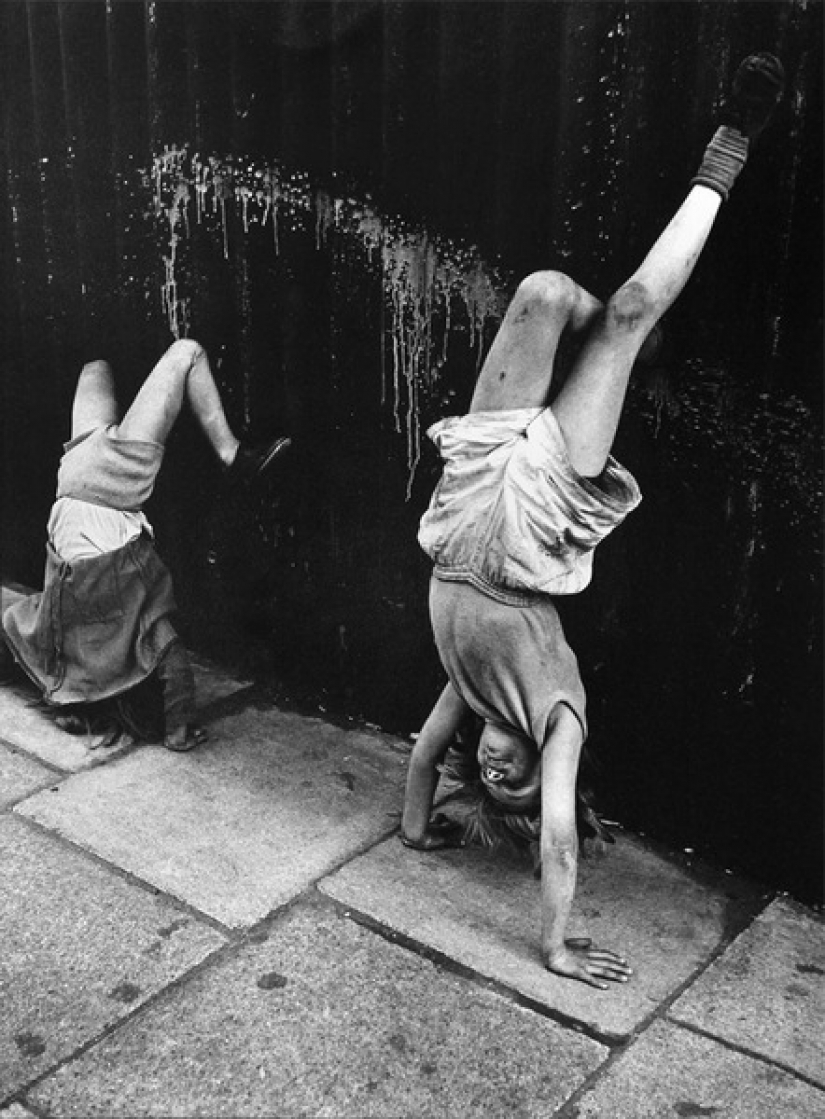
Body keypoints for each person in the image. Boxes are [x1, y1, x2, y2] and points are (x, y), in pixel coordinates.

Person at [401, 54, 785, 989]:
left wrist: (417, 830)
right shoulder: (558, 718)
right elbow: (561, 837)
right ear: (540, 761)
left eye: (486, 776)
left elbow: (419, 760)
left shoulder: (474, 698)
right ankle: (732, 144)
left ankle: (605, 346)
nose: (496, 769)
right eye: (513, 778)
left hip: (461, 511)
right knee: (619, 316)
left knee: (540, 292)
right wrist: (554, 943)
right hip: (532, 527)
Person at [0, 340, 290, 752]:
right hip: (73, 482)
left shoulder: (130, 625)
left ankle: (232, 454)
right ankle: (228, 450)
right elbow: (14, 619)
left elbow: (176, 672)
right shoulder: (62, 633)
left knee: (187, 353)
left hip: (109, 482)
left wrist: (178, 733)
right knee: (95, 366)